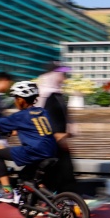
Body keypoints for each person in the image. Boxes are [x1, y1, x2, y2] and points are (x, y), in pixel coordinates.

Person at [36, 61, 77, 193]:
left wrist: (69, 132)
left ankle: (66, 198)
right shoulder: (42, 94)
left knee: (66, 169)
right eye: (62, 74)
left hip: (60, 140)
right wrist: (53, 135)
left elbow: (65, 116)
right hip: (49, 140)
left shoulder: (58, 94)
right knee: (54, 170)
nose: (64, 78)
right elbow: (37, 117)